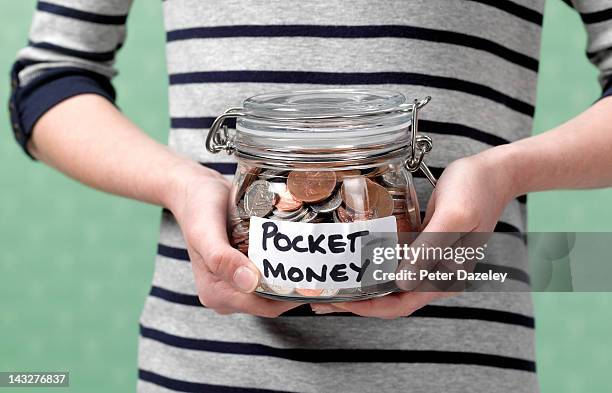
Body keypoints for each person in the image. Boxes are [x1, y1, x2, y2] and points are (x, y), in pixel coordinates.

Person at [8, 1, 612, 392]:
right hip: (204, 366)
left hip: (462, 370)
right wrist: (183, 182)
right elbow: (49, 77)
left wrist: (502, 172)